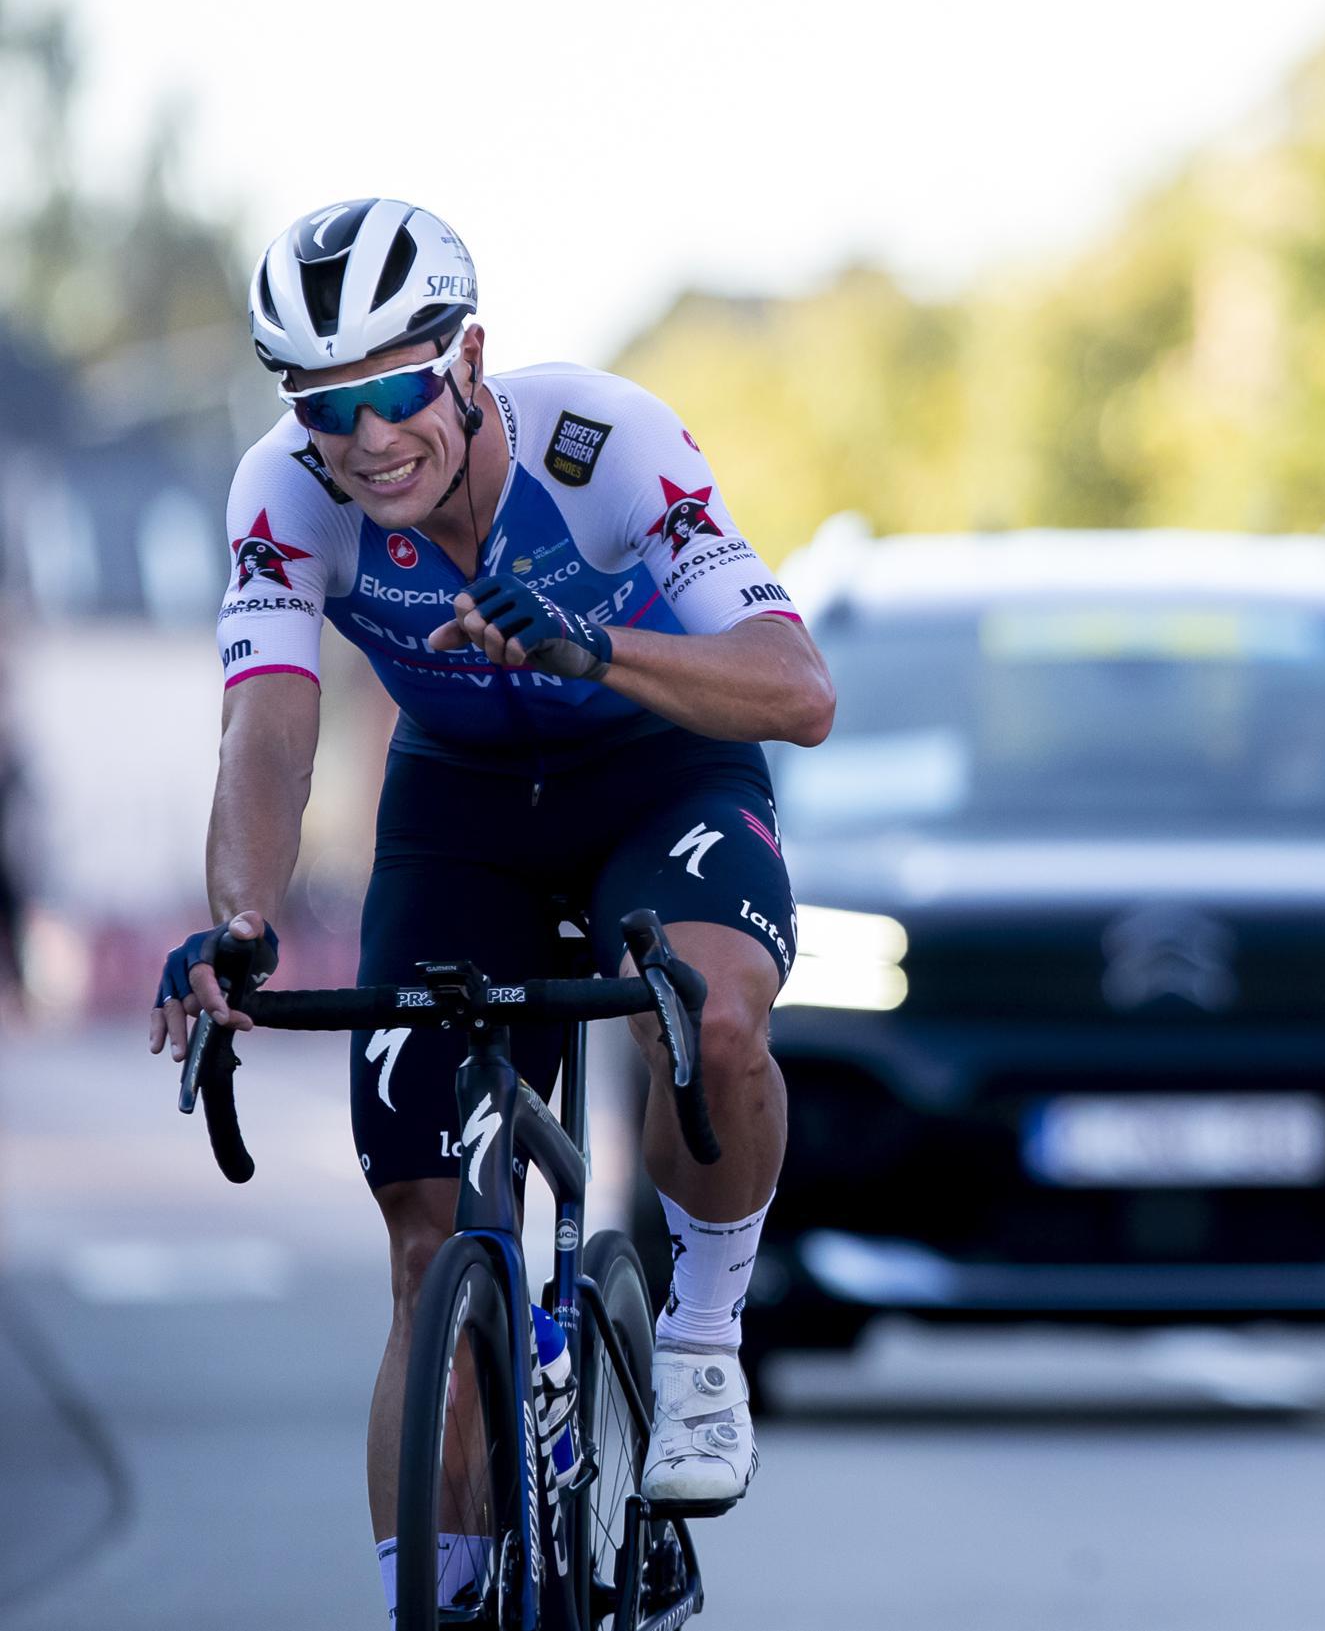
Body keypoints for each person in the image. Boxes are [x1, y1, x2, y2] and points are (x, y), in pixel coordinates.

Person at [144, 199, 833, 1620]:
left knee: (714, 1020)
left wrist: (597, 646)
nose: (367, 439)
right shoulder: (284, 495)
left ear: (466, 358)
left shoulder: (600, 445)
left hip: (659, 771)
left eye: (395, 389)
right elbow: (266, 727)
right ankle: (441, 1592)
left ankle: (700, 1333)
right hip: (461, 807)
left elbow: (795, 690)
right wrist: (243, 922)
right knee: (424, 1244)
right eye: (326, 408)